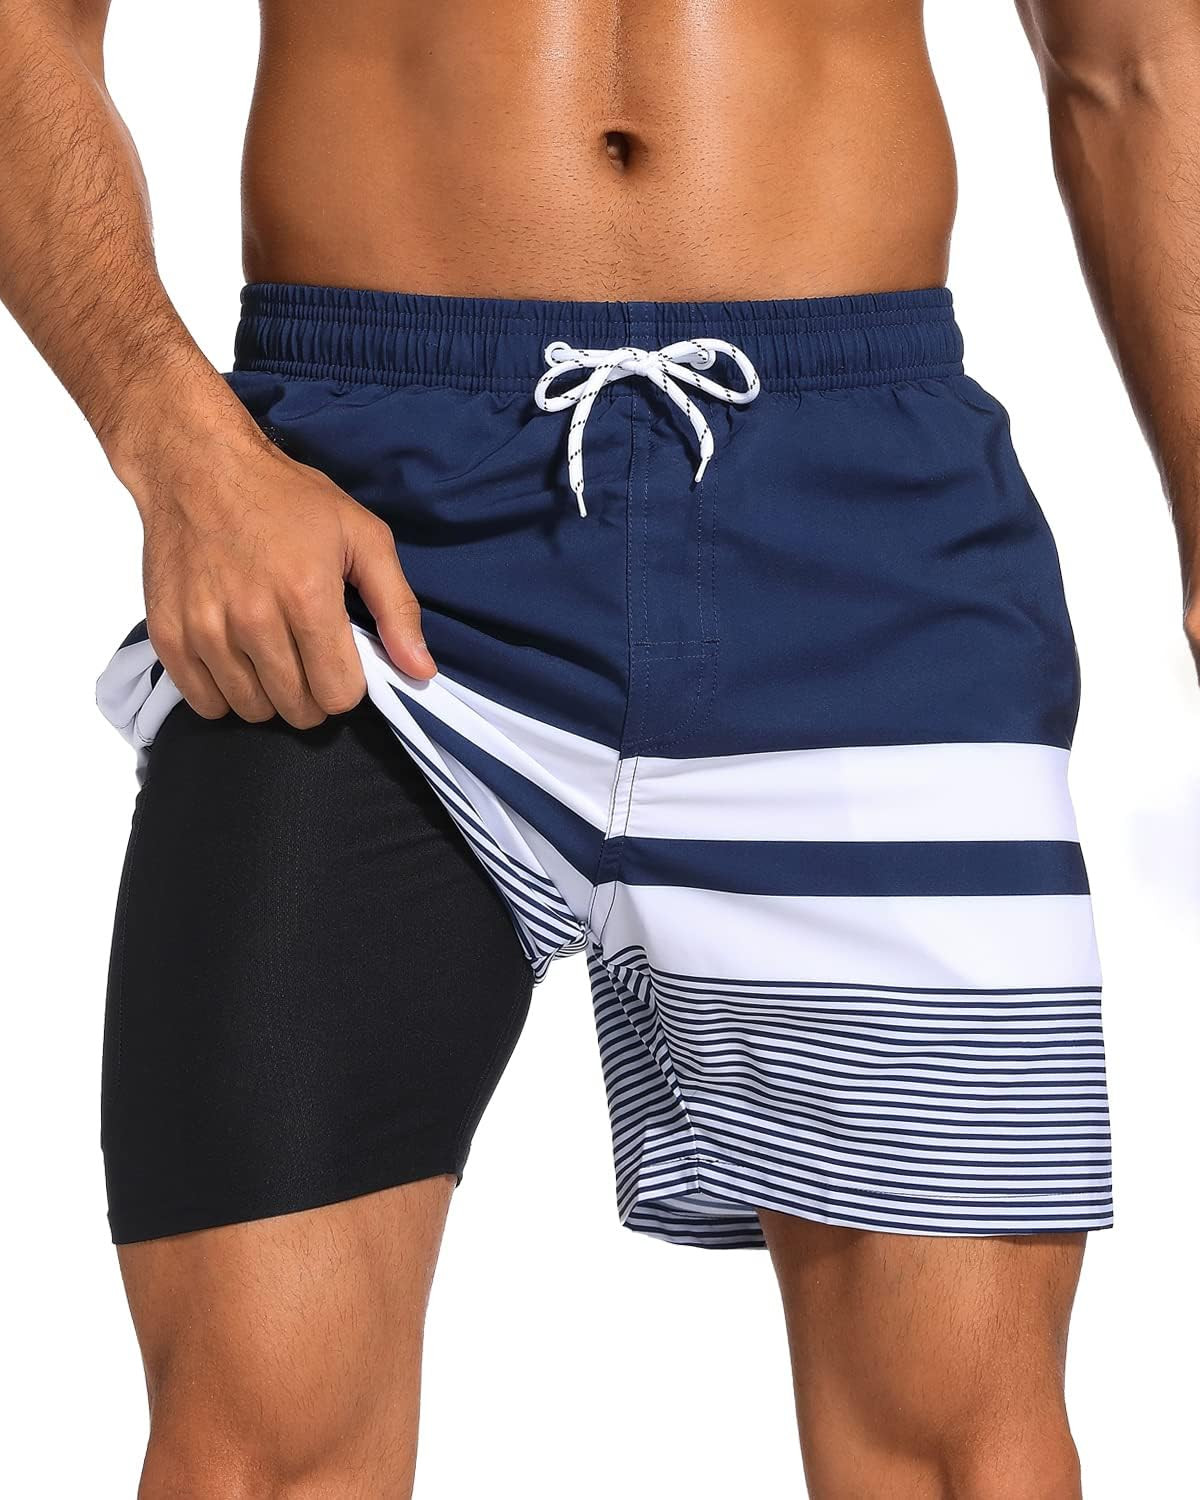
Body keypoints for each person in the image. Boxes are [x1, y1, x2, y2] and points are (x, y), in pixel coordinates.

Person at [1, 2, 1193, 1496]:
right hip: (361, 531)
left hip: (866, 534)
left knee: (959, 1449)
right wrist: (178, 446)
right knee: (256, 1448)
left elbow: (1134, 61)